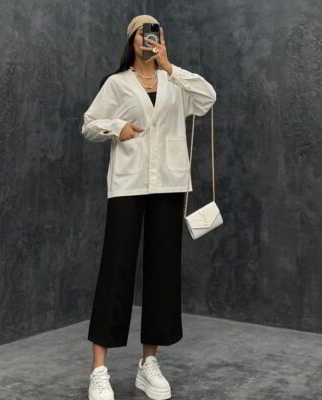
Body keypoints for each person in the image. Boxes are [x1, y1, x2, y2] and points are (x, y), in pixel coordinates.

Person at [81, 14, 216, 400]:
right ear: (132, 39)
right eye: (144, 31)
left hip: (170, 183)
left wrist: (170, 66)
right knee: (116, 268)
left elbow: (207, 98)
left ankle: (148, 364)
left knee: (163, 271)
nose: (150, 36)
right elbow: (89, 124)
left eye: (156, 31)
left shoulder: (176, 83)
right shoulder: (117, 83)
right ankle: (99, 370)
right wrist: (116, 128)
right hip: (128, 184)